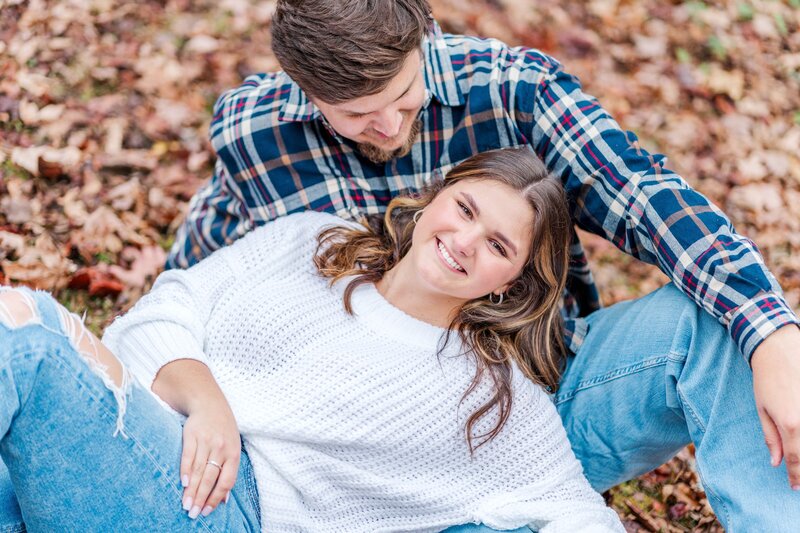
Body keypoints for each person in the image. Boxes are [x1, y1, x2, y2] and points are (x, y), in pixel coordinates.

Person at [165, 0, 800, 530]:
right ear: (303, 89)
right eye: (356, 114)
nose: (386, 127)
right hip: (343, 453)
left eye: (403, 95)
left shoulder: (511, 89)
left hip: (535, 408)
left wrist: (772, 333)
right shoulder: (257, 135)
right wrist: (183, 380)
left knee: (723, 323)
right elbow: (197, 271)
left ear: (422, 36)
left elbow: (642, 195)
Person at [0, 149, 624, 531]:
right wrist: (207, 399)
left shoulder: (491, 396)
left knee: (30, 345)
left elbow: (576, 511)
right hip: (154, 440)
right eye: (465, 209)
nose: (465, 241)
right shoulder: (314, 241)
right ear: (435, 197)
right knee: (24, 318)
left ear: (510, 283)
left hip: (218, 512)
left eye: (497, 246)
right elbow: (154, 317)